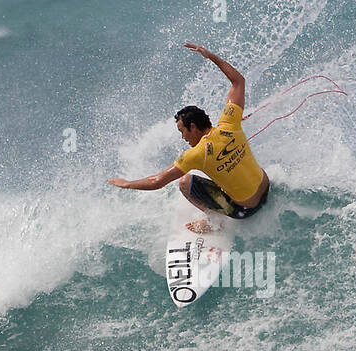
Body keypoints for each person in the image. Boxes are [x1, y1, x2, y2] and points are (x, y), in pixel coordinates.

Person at [108, 44, 270, 231]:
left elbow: (157, 181)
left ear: (193, 127)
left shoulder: (195, 154)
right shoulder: (229, 122)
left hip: (246, 210)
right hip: (266, 188)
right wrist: (211, 56)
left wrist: (127, 184)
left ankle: (213, 223)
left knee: (185, 182)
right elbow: (238, 82)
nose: (183, 137)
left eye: (182, 131)